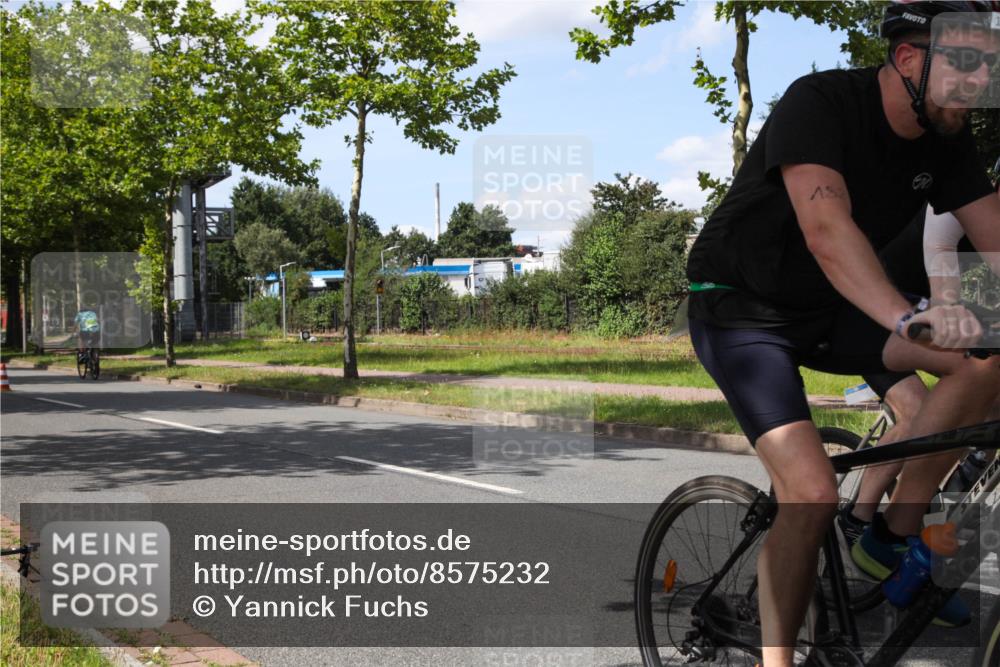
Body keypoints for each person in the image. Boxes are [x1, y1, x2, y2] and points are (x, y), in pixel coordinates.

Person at [685, 2, 1000, 663]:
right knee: (812, 492)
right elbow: (826, 230)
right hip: (742, 309)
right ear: (910, 60)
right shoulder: (820, 102)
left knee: (979, 363)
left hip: (829, 310)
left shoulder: (946, 139)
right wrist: (904, 314)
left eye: (989, 67)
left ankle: (891, 532)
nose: (980, 82)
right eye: (966, 63)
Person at [838, 177, 1000, 551]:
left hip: (918, 314)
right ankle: (859, 519)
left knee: (983, 388)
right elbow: (938, 246)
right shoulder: (960, 197)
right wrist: (950, 310)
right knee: (917, 413)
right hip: (875, 316)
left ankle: (964, 475)